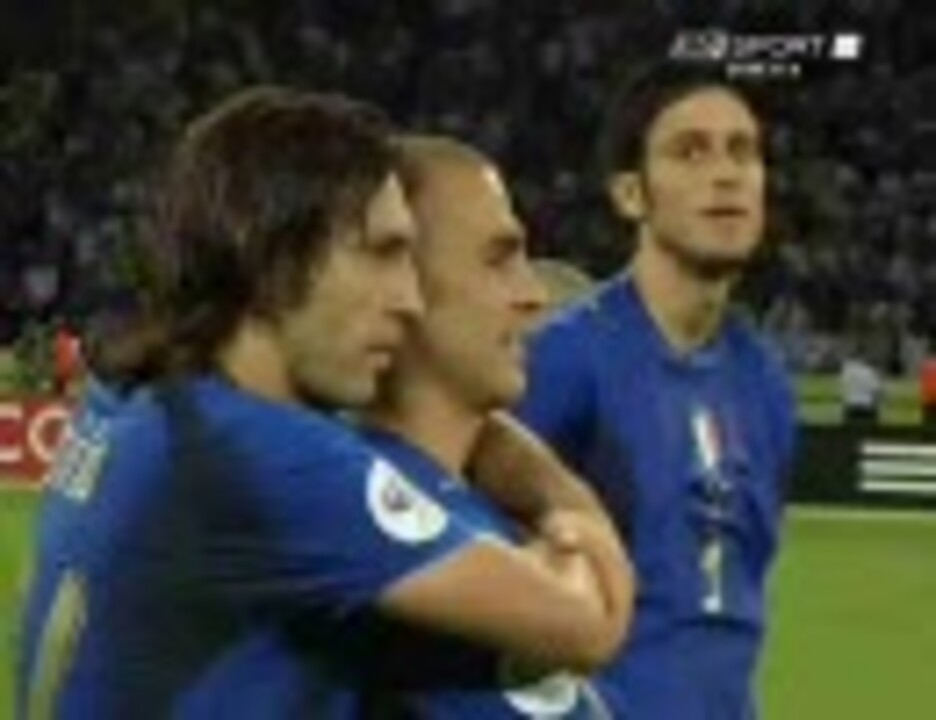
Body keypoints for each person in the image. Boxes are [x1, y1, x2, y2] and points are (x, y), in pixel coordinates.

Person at [18, 87, 628, 719]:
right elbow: (590, 623)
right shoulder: (271, 458)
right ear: (276, 255)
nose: (407, 300)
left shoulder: (132, 402)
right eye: (381, 254)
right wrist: (553, 493)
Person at [516, 61, 798, 720]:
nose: (726, 174)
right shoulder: (566, 362)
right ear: (630, 194)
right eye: (689, 152)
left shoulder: (766, 384)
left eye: (742, 151)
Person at [359, 135, 634, 717]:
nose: (534, 296)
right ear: (399, 282)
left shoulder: (472, 514)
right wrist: (562, 497)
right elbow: (596, 619)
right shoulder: (362, 516)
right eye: (498, 259)